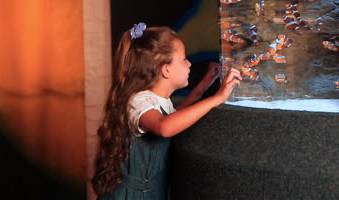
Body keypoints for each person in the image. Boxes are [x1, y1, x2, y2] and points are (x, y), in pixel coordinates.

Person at [91, 23, 241, 199]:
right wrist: (219, 98)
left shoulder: (157, 102)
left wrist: (203, 86)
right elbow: (165, 127)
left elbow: (175, 116)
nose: (189, 63)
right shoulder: (137, 101)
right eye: (184, 59)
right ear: (166, 69)